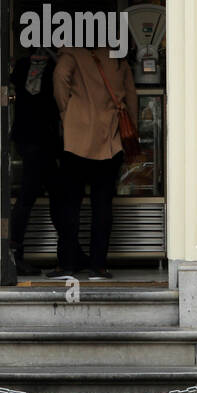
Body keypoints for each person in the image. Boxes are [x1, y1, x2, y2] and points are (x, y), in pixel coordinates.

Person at [51, 42, 138, 280]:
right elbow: (131, 95)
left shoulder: (72, 54)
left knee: (70, 205)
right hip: (109, 138)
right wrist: (133, 128)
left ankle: (68, 263)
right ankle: (98, 265)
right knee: (102, 205)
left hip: (76, 138)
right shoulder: (118, 57)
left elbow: (60, 77)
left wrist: (66, 112)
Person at [7, 47, 62, 277]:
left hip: (25, 139)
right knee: (57, 197)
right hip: (45, 140)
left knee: (29, 199)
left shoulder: (19, 68)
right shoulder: (54, 67)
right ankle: (67, 253)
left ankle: (15, 253)